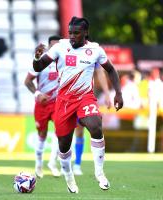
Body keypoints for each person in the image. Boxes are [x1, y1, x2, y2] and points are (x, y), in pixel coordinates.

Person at [33, 16, 123, 193]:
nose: (72, 36)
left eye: (76, 33)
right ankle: (69, 177)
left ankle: (99, 172)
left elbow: (111, 69)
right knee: (64, 145)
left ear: (85, 33)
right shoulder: (60, 47)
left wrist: (118, 93)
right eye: (70, 33)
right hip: (64, 101)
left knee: (96, 125)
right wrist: (37, 58)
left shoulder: (95, 50)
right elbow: (39, 67)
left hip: (85, 97)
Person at [24, 35, 62, 178]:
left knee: (60, 131)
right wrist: (37, 94)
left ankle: (52, 162)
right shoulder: (41, 62)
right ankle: (38, 164)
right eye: (53, 46)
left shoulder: (64, 61)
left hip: (57, 103)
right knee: (42, 134)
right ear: (49, 46)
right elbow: (27, 81)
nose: (56, 48)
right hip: (42, 104)